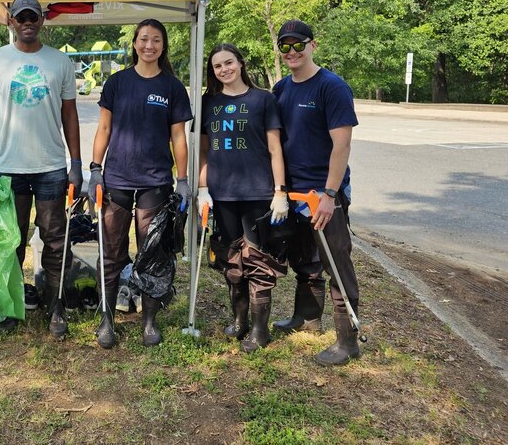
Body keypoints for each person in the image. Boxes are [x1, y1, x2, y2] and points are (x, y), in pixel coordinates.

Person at [0, 0, 83, 338]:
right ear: (11, 20)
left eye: (32, 17)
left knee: (55, 240)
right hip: (8, 167)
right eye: (20, 17)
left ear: (42, 21)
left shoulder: (60, 62)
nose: (27, 23)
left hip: (51, 167)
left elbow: (70, 114)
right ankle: (9, 308)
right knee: (11, 242)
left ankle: (55, 307)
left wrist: (77, 162)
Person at [87, 18, 192, 349]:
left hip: (155, 181)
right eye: (144, 39)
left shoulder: (172, 87)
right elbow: (104, 129)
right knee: (111, 251)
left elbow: (178, 136)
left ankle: (149, 320)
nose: (150, 45)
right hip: (116, 179)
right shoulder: (117, 82)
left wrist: (184, 179)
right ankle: (107, 320)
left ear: (163, 46)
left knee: (152, 254)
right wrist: (94, 169)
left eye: (156, 40)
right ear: (134, 43)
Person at [271, 19, 360, 366]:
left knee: (336, 263)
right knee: (305, 259)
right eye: (285, 46)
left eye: (298, 45)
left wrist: (329, 194)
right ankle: (307, 319)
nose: (292, 52)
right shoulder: (281, 89)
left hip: (324, 195)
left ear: (313, 46)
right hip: (293, 194)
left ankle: (347, 340)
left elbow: (342, 145)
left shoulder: (332, 87)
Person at [196, 43, 288, 353]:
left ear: (240, 63)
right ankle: (240, 321)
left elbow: (275, 149)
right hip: (223, 195)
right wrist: (203, 189)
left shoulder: (263, 100)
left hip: (257, 193)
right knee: (231, 259)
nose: (224, 69)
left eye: (228, 63)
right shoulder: (209, 103)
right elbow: (204, 151)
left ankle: (260, 330)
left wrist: (280, 192)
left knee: (257, 261)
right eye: (217, 66)